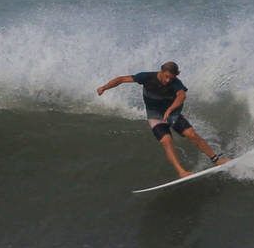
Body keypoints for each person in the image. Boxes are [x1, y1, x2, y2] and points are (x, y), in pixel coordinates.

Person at [98, 61, 228, 178]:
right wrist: (104, 87)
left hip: (172, 113)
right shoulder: (146, 77)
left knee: (191, 134)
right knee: (167, 140)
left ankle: (216, 159)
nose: (167, 80)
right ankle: (181, 171)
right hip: (154, 115)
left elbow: (181, 96)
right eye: (166, 76)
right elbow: (121, 79)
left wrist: (170, 109)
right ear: (161, 71)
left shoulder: (176, 83)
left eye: (171, 78)